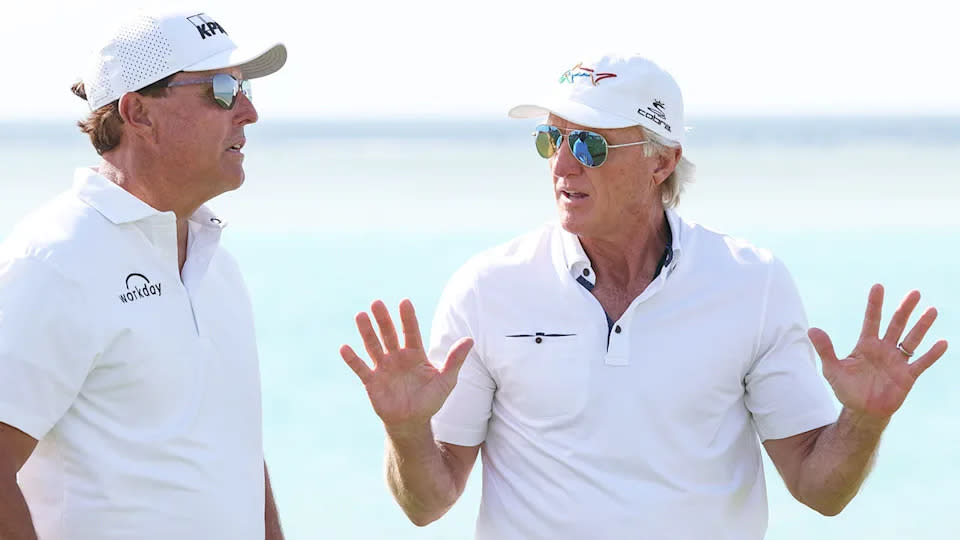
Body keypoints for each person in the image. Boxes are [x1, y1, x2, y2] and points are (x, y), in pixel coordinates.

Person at [340, 54, 949, 539]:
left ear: (662, 163)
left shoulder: (751, 282)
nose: (562, 167)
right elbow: (429, 504)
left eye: (591, 146)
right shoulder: (487, 287)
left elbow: (821, 492)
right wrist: (407, 430)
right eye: (552, 140)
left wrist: (866, 419)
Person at [0, 9, 287, 540]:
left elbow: (235, 458)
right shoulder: (54, 260)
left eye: (245, 89)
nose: (248, 111)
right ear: (138, 113)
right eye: (222, 89)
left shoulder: (216, 263)